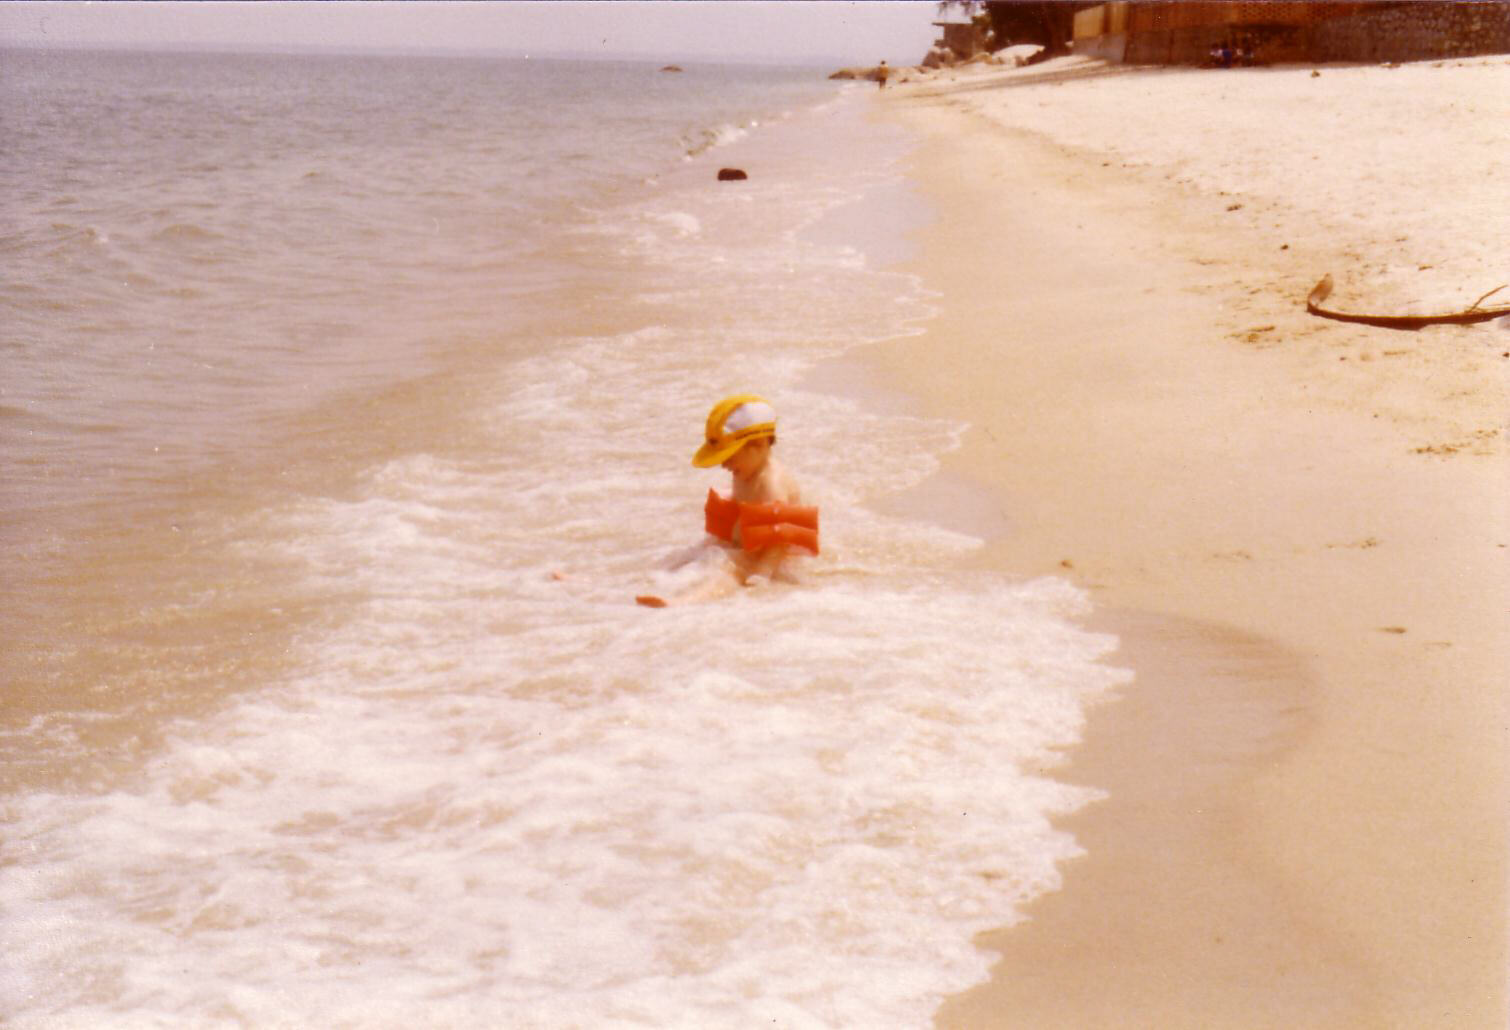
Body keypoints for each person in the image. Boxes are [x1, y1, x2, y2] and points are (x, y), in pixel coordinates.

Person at [636, 394, 815, 607]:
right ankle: (648, 583)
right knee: (687, 556)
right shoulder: (746, 470)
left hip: (770, 557)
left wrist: (762, 574)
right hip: (747, 545)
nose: (723, 465)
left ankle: (684, 602)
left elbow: (780, 539)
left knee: (725, 573)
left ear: (757, 445)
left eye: (729, 457)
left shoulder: (771, 485)